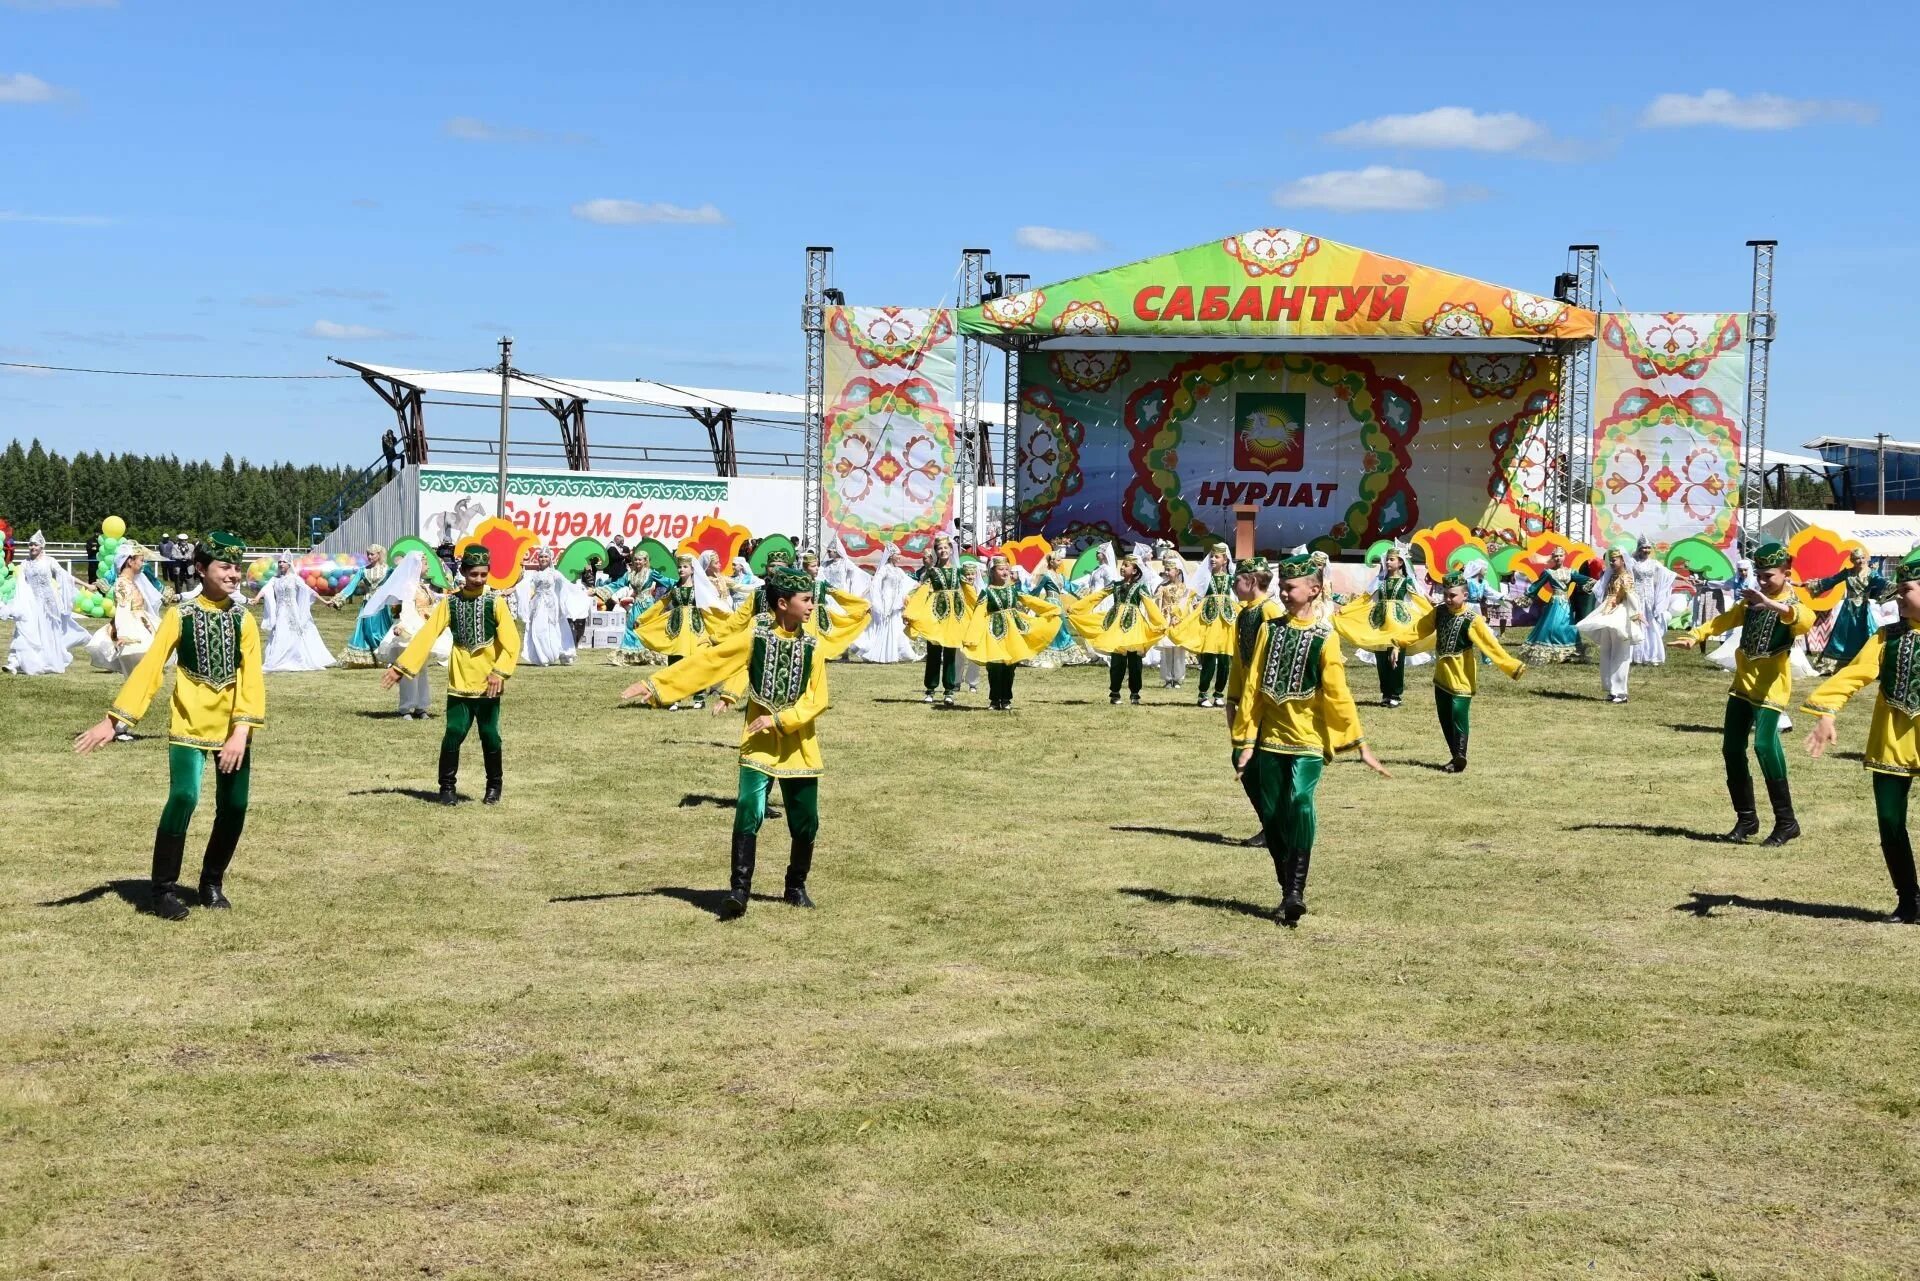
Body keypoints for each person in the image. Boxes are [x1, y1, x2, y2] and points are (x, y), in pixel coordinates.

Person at [72, 532, 264, 921]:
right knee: (184, 797)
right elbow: (150, 668)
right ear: (200, 569)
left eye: (236, 567)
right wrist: (115, 720)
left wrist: (240, 731)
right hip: (188, 723)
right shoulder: (180, 615)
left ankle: (211, 883)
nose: (233, 574)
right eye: (224, 566)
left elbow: (252, 679)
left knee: (235, 805)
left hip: (232, 729)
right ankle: (161, 890)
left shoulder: (244, 619)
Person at [623, 566, 831, 919]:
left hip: (799, 744)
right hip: (759, 743)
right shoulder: (755, 635)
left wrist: (781, 719)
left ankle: (795, 886)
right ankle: (739, 889)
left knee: (806, 820)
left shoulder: (814, 645)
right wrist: (658, 685)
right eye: (806, 600)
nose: (812, 606)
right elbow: (711, 662)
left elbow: (818, 699)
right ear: (783, 603)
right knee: (749, 809)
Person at [1230, 551, 1390, 924]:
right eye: (1282, 587)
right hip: (1269, 739)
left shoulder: (1324, 637)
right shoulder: (1271, 629)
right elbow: (1253, 685)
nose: (1284, 594)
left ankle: (1296, 891)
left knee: (1300, 800)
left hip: (1307, 742)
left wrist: (1359, 743)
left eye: (1290, 587)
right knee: (1272, 816)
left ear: (1314, 589)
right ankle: (1287, 892)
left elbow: (1338, 693)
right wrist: (1246, 738)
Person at [1802, 549, 1920, 923]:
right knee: (1889, 821)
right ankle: (1909, 900)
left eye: (1906, 589)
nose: (1898, 596)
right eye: (1898, 590)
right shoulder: (1886, 637)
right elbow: (1852, 676)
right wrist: (1826, 711)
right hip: (1892, 738)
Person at [1673, 541, 1815, 845]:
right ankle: (1747, 820)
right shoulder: (1752, 600)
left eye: (1769, 576)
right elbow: (1727, 619)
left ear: (1786, 573)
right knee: (1731, 749)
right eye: (1759, 576)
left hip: (1771, 689)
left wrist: (1770, 602)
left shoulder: (1792, 602)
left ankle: (1787, 822)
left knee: (1764, 746)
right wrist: (1695, 635)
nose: (1762, 582)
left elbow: (1804, 619)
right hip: (1742, 686)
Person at [383, 546, 521, 805]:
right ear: (464, 572)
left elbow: (511, 641)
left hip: (489, 682)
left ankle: (494, 787)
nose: (479, 580)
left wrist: (499, 672)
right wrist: (402, 667)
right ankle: (446, 787)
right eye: (474, 574)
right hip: (460, 681)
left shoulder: (495, 602)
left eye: (483, 574)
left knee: (490, 734)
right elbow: (427, 635)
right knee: (454, 732)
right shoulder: (450, 603)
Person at [1409, 571, 1527, 771]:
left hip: (1462, 677)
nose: (1448, 599)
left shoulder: (1472, 619)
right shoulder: (1439, 613)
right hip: (1441, 677)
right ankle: (1455, 758)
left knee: (1458, 713)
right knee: (1445, 718)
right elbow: (1417, 630)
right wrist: (1396, 643)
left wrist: (1512, 666)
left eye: (1452, 595)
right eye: (1446, 594)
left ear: (1465, 595)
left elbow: (1491, 646)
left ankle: (1461, 755)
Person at [1223, 556, 1281, 846]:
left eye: (1238, 579)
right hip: (1247, 699)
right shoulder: (1244, 613)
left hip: (1266, 701)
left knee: (1260, 762)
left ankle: (1276, 826)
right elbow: (1238, 661)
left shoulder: (1270, 611)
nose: (1234, 583)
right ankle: (1271, 825)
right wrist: (1232, 699)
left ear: (1252, 582)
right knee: (1242, 759)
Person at [960, 553, 1063, 710]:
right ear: (992, 571)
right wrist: (972, 637)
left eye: (1007, 569)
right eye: (1001, 569)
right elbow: (978, 614)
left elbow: (1030, 600)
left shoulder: (1013, 590)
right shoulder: (986, 593)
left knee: (1010, 667)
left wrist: (1051, 609)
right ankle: (995, 699)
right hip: (993, 633)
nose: (1005, 572)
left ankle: (1006, 699)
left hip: (1013, 634)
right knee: (994, 667)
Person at [1332, 543, 1430, 706]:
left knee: (1395, 659)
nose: (1388, 562)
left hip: (1399, 624)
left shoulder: (1406, 582)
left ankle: (1396, 695)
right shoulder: (1379, 582)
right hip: (1380, 622)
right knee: (1381, 659)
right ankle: (1386, 693)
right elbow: (1364, 599)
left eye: (1391, 560)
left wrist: (1433, 614)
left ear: (1400, 563)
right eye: (1387, 560)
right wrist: (1345, 610)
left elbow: (1420, 600)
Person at [1067, 549, 1167, 705]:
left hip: (1134, 626)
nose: (1122, 567)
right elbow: (1096, 597)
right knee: (1117, 661)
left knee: (1135, 662)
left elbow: (1150, 606)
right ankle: (1115, 692)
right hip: (1115, 625)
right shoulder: (1115, 585)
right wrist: (1077, 607)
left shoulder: (1141, 587)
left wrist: (1160, 623)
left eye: (1126, 565)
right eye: (1122, 564)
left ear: (1134, 570)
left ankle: (1135, 693)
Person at [632, 553, 728, 707]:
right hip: (676, 629)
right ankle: (673, 697)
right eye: (679, 566)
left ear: (692, 570)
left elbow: (712, 604)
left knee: (697, 662)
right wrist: (642, 619)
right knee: (675, 663)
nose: (681, 569)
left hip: (696, 629)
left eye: (685, 567)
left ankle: (699, 698)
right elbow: (660, 604)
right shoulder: (675, 588)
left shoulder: (700, 589)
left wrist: (726, 617)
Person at [2, 532, 91, 674]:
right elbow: (22, 585)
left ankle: (46, 660)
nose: (32, 547)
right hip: (31, 604)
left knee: (47, 633)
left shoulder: (50, 561)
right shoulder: (25, 564)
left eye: (35, 544)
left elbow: (65, 576)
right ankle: (14, 662)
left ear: (42, 546)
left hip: (49, 604)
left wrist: (87, 584)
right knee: (23, 629)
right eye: (30, 544)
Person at [904, 534, 975, 705]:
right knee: (934, 652)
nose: (943, 551)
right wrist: (911, 611)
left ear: (951, 550)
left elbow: (969, 592)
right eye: (939, 549)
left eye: (945, 548)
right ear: (936, 552)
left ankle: (949, 690)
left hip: (954, 617)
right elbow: (921, 592)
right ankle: (930, 688)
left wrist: (980, 607)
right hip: (935, 615)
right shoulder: (932, 571)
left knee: (950, 652)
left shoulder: (959, 572)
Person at [1577, 548, 1646, 704]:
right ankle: (1611, 688)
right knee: (1606, 651)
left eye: (1614, 560)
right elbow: (1605, 596)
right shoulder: (1611, 576)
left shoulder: (1626, 577)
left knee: (1620, 653)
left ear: (1622, 560)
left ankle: (1620, 692)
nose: (1611, 563)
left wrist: (1636, 614)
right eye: (1610, 560)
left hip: (1620, 615)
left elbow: (1632, 596)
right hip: (1608, 613)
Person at [1806, 548, 1890, 671]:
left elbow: (1882, 583)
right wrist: (1809, 585)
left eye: (1862, 558)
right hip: (1848, 611)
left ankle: (1868, 662)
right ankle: (1836, 663)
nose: (1860, 561)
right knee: (1843, 636)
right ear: (1852, 560)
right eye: (1857, 558)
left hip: (1863, 611)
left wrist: (1898, 586)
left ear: (1866, 559)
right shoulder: (1847, 573)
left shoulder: (1872, 574)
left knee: (1867, 634)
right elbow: (1831, 581)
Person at [259, 555, 339, 672]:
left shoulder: (294, 578)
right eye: (279, 562)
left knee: (295, 633)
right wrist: (256, 599)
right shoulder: (274, 579)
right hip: (280, 611)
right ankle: (278, 659)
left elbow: (309, 591)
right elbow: (265, 589)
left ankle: (297, 658)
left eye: (283, 562)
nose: (281, 564)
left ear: (289, 564)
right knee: (280, 632)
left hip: (293, 611)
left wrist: (325, 601)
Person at [513, 546, 584, 667]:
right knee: (538, 629)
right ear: (538, 559)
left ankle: (558, 653)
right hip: (537, 605)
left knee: (554, 629)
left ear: (550, 559)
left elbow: (567, 585)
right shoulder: (534, 574)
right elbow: (522, 585)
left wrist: (583, 591)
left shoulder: (555, 574)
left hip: (551, 606)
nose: (543, 558)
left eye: (546, 556)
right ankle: (543, 656)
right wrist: (510, 590)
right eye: (541, 556)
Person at [1519, 549, 1589, 664]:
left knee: (1568, 626)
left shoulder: (1571, 572)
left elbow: (1583, 580)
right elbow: (1537, 585)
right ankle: (1550, 650)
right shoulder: (1548, 572)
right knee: (1553, 626)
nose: (1558, 558)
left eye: (1560, 556)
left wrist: (1600, 583)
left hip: (1566, 604)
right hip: (1555, 603)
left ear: (1564, 557)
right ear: (1552, 558)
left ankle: (1568, 652)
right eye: (1556, 556)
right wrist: (1527, 596)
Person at [341, 545, 394, 667]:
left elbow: (398, 582)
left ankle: (385, 656)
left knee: (382, 631)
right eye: (368, 554)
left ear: (379, 555)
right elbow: (351, 586)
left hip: (382, 606)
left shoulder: (388, 570)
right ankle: (375, 657)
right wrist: (340, 599)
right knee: (368, 630)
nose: (369, 556)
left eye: (372, 554)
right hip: (368, 604)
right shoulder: (363, 570)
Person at [1628, 537, 1678, 665]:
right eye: (1644, 547)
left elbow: (1669, 573)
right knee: (1636, 622)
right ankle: (1634, 655)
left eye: (1648, 548)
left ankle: (1650, 654)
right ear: (1639, 549)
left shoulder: (1654, 563)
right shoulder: (1632, 562)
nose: (1646, 550)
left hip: (1649, 598)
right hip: (1636, 597)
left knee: (1650, 624)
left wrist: (1687, 579)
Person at [1151, 547, 1194, 691]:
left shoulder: (1184, 588)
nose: (1167, 573)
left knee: (1179, 650)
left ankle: (1178, 677)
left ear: (1178, 571)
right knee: (1167, 650)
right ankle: (1168, 678)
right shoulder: (1162, 587)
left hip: (1180, 620)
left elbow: (1188, 606)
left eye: (1170, 570)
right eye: (1166, 570)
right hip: (1167, 619)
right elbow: (1157, 603)